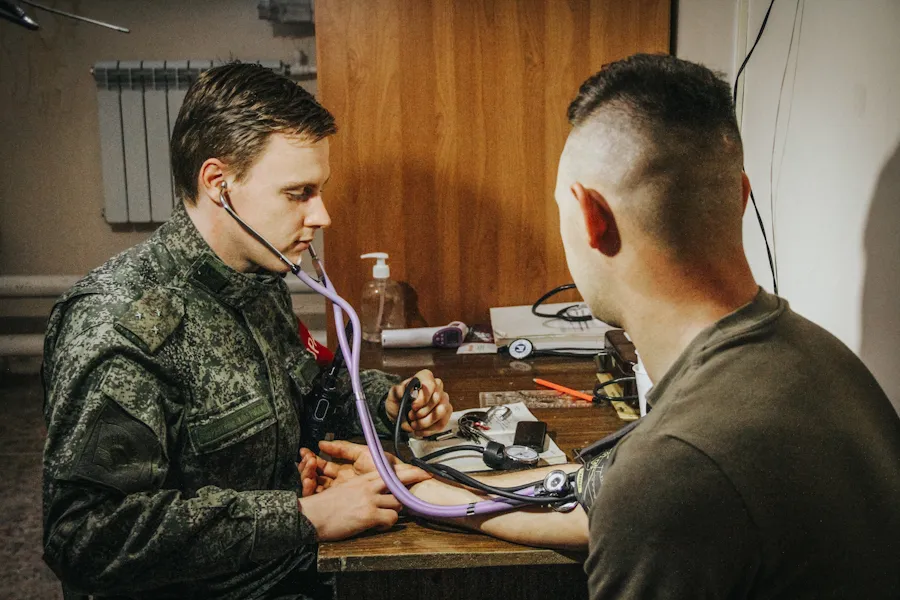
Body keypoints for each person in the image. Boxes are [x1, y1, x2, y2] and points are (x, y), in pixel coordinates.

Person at [305, 54, 900, 599]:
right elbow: (601, 493)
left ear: (593, 218)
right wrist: (419, 489)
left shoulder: (675, 469)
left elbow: (644, 492)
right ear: (741, 197)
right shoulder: (820, 359)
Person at [41, 62, 451, 600]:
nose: (322, 215)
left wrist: (386, 403)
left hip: (301, 565)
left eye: (320, 190)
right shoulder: (118, 323)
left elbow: (313, 391)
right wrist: (305, 516)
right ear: (219, 184)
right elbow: (85, 537)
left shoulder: (256, 278)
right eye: (298, 192)